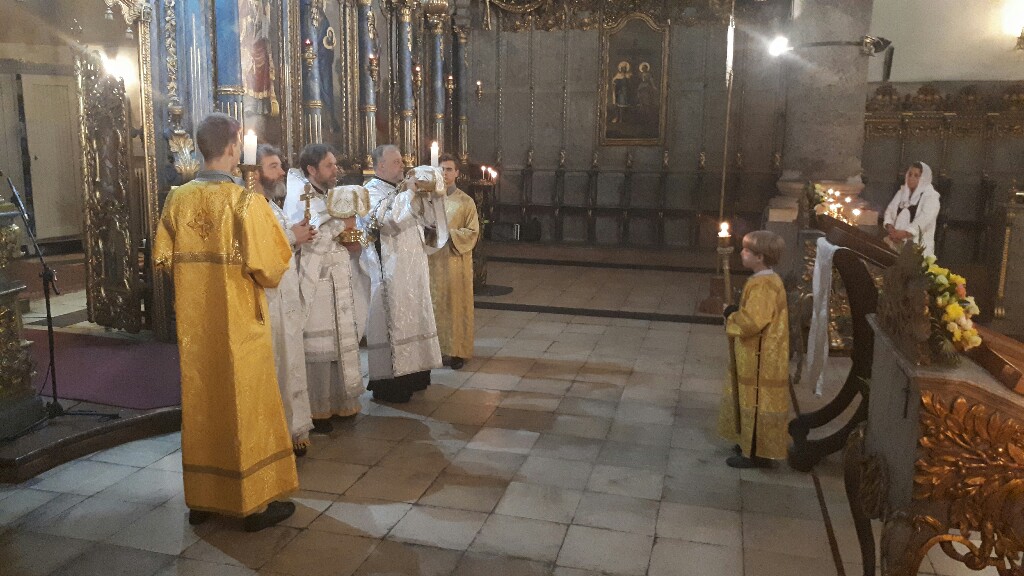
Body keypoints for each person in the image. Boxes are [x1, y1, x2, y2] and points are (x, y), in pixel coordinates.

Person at [153, 112, 296, 531]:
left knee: (203, 402)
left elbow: (162, 259)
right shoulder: (244, 201)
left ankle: (204, 498)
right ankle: (253, 503)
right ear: (234, 147)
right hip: (240, 325)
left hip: (196, 327)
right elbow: (271, 266)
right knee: (246, 404)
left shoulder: (177, 199)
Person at [283, 144, 367, 432]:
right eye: (329, 165)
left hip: (339, 277)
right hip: (315, 281)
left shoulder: (333, 197)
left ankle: (341, 403)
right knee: (319, 348)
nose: (335, 170)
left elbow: (350, 237)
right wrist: (339, 226)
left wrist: (355, 240)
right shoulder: (300, 198)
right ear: (311, 169)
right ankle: (317, 411)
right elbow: (307, 239)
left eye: (334, 164)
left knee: (339, 344)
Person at [362, 145, 446, 403]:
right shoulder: (369, 191)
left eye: (401, 161)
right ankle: (391, 385)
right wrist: (409, 192)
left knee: (416, 316)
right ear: (380, 166)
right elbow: (388, 222)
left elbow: (428, 220)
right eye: (396, 162)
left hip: (413, 265)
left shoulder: (403, 189)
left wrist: (429, 196)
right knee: (395, 322)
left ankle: (417, 375)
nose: (402, 165)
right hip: (391, 270)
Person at [256, 144, 317, 457]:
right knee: (279, 362)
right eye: (273, 166)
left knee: (290, 359)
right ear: (253, 173)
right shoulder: (252, 206)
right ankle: (280, 435)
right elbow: (259, 252)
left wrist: (298, 235)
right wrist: (293, 236)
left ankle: (294, 430)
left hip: (285, 295)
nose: (281, 172)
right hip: (270, 300)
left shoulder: (271, 204)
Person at [717, 230, 790, 469]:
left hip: (760, 355)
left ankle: (755, 453)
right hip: (758, 352)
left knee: (756, 401)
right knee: (749, 399)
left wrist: (732, 315)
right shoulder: (764, 280)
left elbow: (753, 322)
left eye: (747, 250)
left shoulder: (764, 285)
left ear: (760, 257)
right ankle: (747, 443)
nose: (742, 253)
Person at [427, 154, 479, 370]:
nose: (445, 173)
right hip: (431, 262)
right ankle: (434, 351)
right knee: (433, 306)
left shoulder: (465, 202)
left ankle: (457, 351)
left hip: (454, 262)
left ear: (457, 173)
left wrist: (448, 233)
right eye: (441, 169)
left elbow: (472, 232)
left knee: (454, 306)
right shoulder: (428, 200)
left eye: (449, 169)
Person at [883, 161, 941, 257]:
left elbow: (923, 220)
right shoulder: (902, 192)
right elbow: (889, 211)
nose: (911, 178)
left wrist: (903, 234)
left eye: (916, 176)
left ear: (923, 179)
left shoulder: (931, 197)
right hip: (895, 243)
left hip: (917, 248)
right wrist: (891, 229)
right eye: (910, 174)